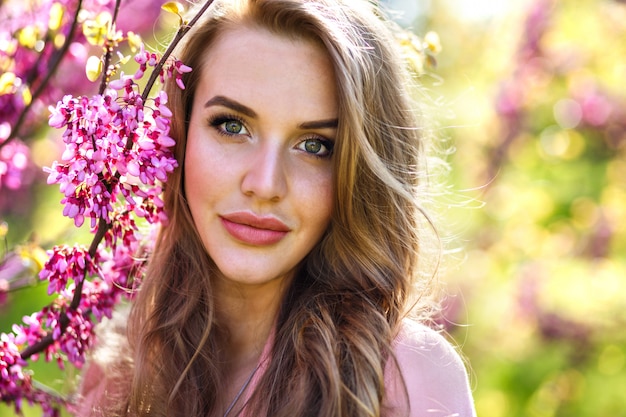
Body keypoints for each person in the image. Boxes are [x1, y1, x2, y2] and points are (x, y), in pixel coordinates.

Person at [76, 0, 477, 416]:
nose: (265, 185)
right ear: (176, 132)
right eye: (232, 126)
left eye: (315, 146)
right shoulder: (118, 375)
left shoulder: (404, 377)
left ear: (358, 175)